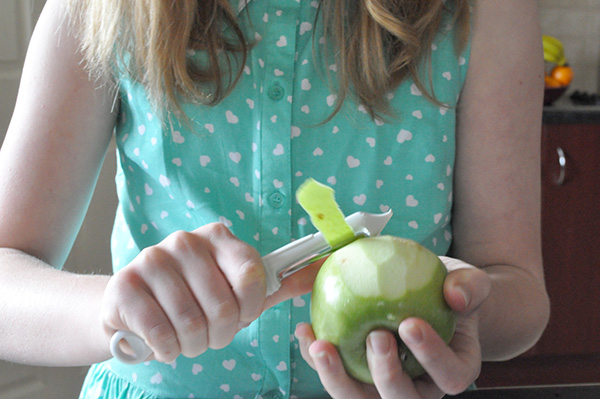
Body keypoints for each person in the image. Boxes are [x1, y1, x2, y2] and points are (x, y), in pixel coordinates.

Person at [0, 0, 549, 398]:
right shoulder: (103, 8)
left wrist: (458, 312)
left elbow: (519, 290)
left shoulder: (487, 12)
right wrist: (118, 309)